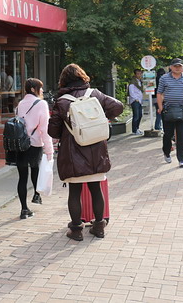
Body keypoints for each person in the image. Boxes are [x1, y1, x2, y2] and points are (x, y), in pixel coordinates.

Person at [48, 64, 123, 241]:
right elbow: (118, 107)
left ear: (63, 80)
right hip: (96, 150)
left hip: (73, 152)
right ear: (83, 77)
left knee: (74, 192)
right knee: (96, 189)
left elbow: (53, 131)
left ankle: (76, 230)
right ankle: (99, 227)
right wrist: (100, 119)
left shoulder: (62, 101)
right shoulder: (95, 94)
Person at [14, 78, 54, 220]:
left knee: (22, 177)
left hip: (20, 145)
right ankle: (37, 196)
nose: (42, 90)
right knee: (36, 170)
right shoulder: (41, 104)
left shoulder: (20, 104)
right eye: (40, 87)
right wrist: (49, 150)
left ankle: (24, 209)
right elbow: (44, 129)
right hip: (35, 143)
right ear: (33, 89)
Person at [156, 59, 183, 168]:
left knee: (181, 135)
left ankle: (182, 159)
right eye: (175, 66)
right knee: (168, 134)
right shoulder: (164, 78)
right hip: (168, 109)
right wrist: (160, 107)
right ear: (171, 67)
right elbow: (159, 93)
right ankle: (167, 152)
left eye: (179, 66)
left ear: (182, 67)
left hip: (182, 110)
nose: (177, 68)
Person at [128, 69, 144, 135]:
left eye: (140, 73)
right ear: (135, 74)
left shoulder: (139, 81)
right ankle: (134, 130)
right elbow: (131, 92)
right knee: (136, 116)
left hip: (139, 101)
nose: (139, 75)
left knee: (140, 115)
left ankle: (137, 128)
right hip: (135, 101)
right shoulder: (132, 82)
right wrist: (136, 99)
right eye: (138, 73)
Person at [153, 67, 166, 131]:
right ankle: (158, 126)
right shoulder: (162, 80)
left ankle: (158, 125)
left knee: (158, 112)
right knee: (160, 112)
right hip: (160, 98)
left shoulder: (155, 79)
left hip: (154, 98)